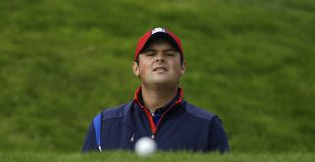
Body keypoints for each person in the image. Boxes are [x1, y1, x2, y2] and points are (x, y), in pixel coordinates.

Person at [82, 27, 229, 153]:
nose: (160, 58)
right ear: (136, 68)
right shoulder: (103, 125)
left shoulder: (207, 126)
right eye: (151, 54)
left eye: (169, 54)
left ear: (182, 67)